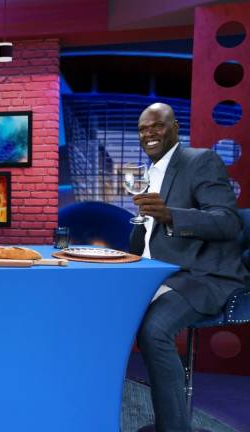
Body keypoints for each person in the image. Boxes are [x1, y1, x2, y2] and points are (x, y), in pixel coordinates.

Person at [131, 103, 249, 432]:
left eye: (157, 126)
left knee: (154, 330)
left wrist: (171, 215)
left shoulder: (200, 161)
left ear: (175, 128)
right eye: (142, 129)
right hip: (160, 273)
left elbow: (228, 222)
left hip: (203, 275)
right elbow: (149, 233)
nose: (149, 133)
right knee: (109, 311)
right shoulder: (148, 174)